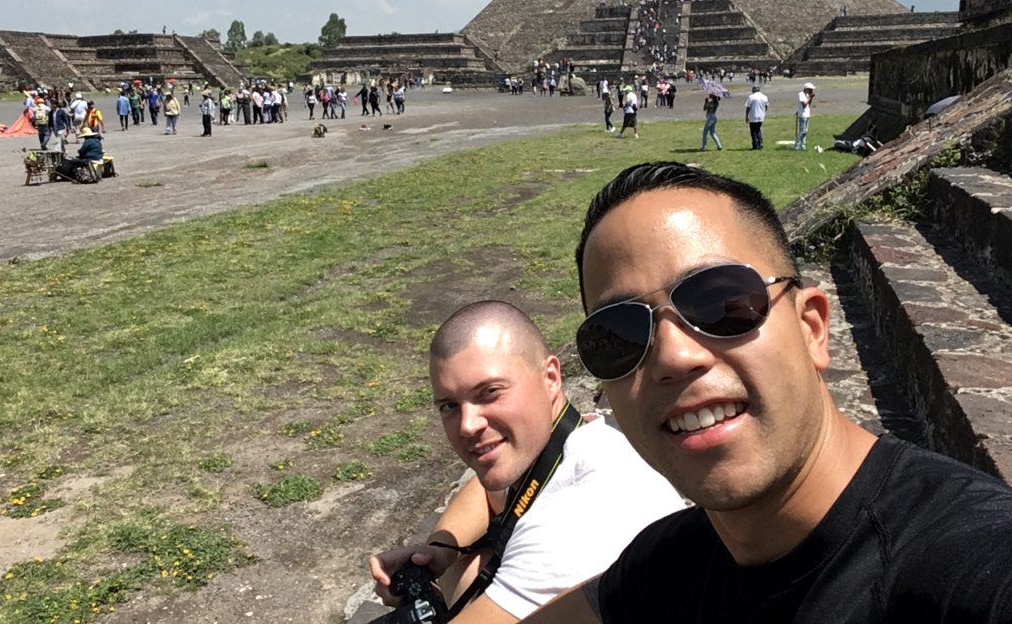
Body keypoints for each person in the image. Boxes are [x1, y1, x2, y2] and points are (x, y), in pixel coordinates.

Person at [522, 161, 1012, 624]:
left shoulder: (964, 560)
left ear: (812, 329)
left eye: (720, 302)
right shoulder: (670, 565)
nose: (673, 356)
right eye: (619, 335)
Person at [370, 300, 684, 623]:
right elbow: (484, 491)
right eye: (449, 406)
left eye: (489, 392)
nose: (467, 425)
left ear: (551, 378)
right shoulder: (574, 439)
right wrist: (440, 550)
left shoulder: (575, 521)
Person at [744, 85, 769, 150]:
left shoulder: (751, 97)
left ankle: (755, 145)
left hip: (753, 116)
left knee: (753, 131)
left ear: (754, 90)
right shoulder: (764, 97)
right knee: (758, 129)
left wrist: (746, 116)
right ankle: (760, 142)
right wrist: (764, 112)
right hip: (761, 116)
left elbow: (748, 107)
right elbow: (766, 106)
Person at [794, 82, 815, 151]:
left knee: (805, 131)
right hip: (802, 115)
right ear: (807, 89)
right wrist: (810, 97)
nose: (812, 91)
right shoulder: (801, 94)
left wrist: (811, 98)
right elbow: (804, 104)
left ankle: (803, 146)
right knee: (802, 131)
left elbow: (809, 104)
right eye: (811, 89)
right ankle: (797, 145)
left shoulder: (807, 95)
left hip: (807, 114)